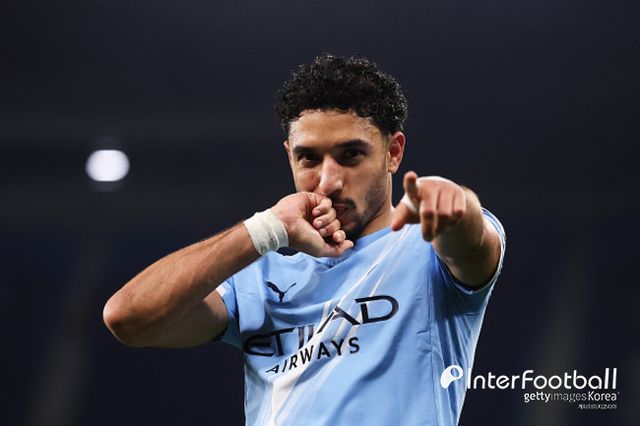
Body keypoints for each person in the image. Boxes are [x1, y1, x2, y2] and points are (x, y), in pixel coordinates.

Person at [103, 54, 506, 426]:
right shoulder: (257, 276)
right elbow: (127, 319)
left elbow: (471, 243)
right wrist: (266, 228)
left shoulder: (429, 248)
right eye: (309, 158)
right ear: (289, 156)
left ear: (393, 152)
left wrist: (458, 207)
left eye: (351, 155)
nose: (328, 181)